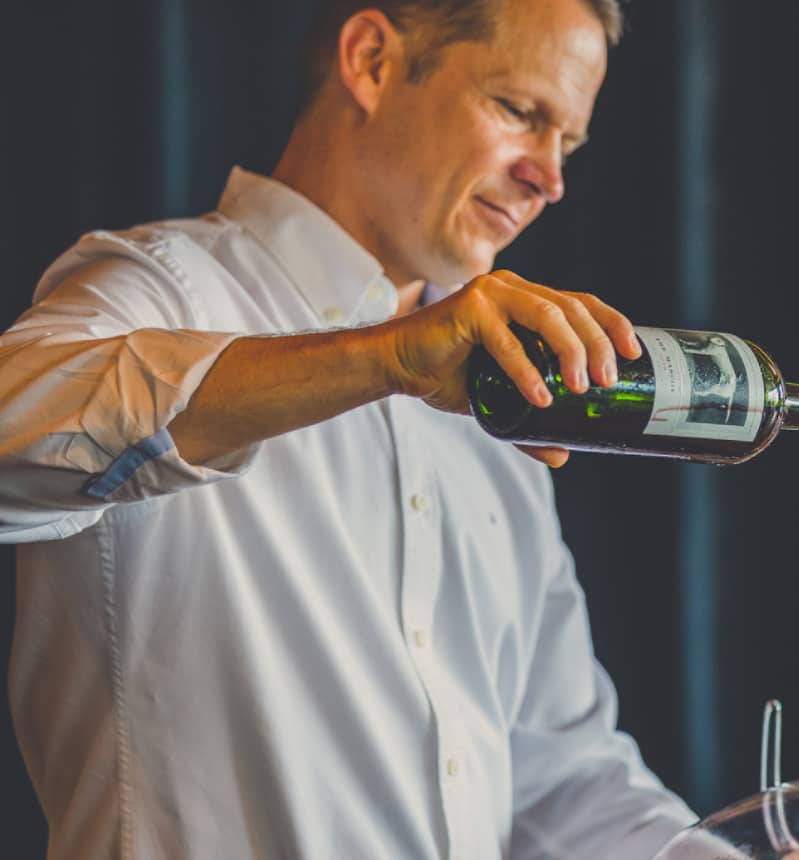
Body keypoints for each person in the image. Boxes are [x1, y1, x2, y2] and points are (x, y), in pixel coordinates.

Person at [0, 0, 698, 856]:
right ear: (370, 60)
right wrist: (383, 357)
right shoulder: (161, 289)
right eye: (519, 111)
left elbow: (562, 784)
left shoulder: (503, 412)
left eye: (570, 144)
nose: (549, 178)